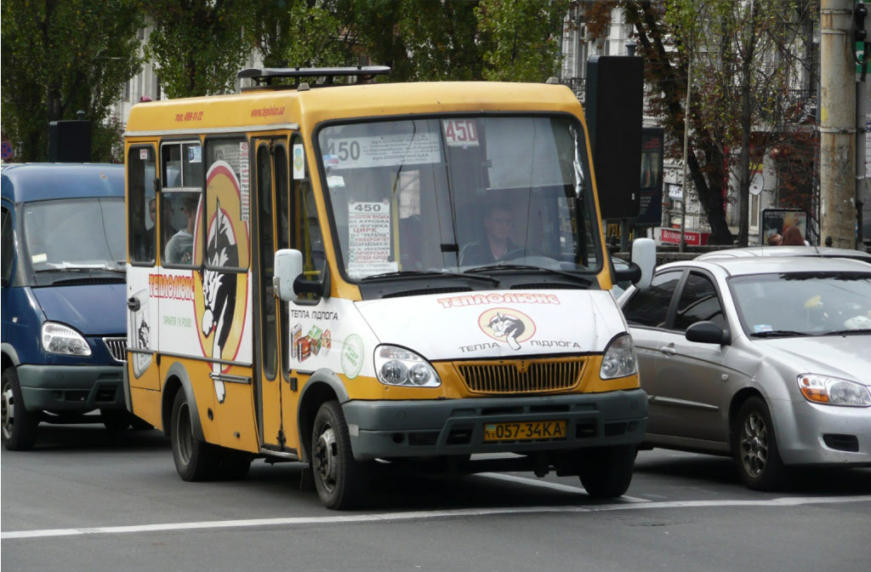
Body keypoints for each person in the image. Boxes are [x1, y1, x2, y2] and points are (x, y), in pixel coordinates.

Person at [165, 195, 198, 264]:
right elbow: (170, 269)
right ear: (187, 212)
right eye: (197, 213)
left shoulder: (210, 239)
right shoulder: (175, 244)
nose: (202, 217)